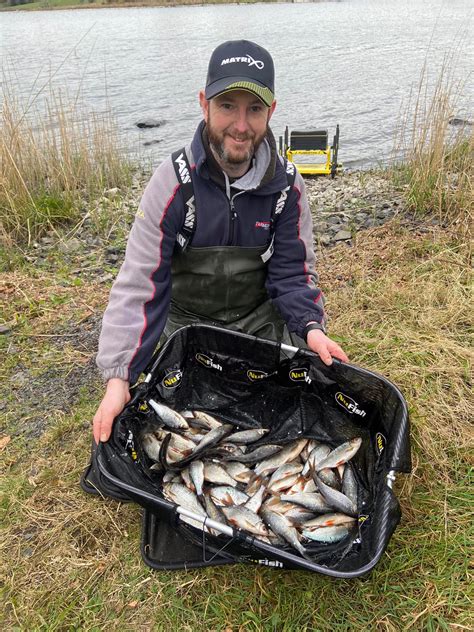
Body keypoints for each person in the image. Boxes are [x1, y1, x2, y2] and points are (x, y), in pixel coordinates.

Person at [93, 40, 348, 444]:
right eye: (228, 105)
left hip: (257, 323)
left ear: (272, 111)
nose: (241, 125)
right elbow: (140, 284)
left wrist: (312, 328)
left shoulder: (288, 188)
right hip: (185, 326)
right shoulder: (173, 184)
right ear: (204, 103)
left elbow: (293, 276)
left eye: (255, 109)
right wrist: (119, 377)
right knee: (169, 416)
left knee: (289, 399)